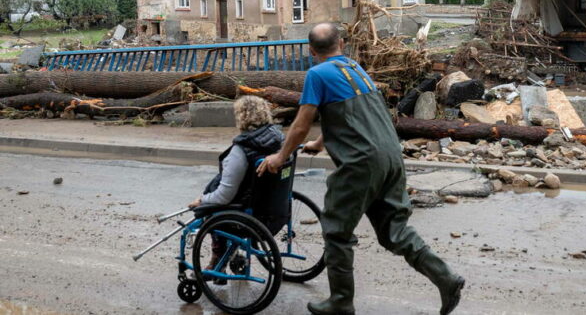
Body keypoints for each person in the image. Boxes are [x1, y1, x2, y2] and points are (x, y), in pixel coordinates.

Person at [257, 23, 464, 315]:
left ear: (311, 51)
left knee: (337, 230)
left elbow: (301, 123)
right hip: (391, 156)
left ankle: (341, 302)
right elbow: (353, 115)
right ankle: (446, 278)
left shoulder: (317, 74)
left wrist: (280, 157)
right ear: (340, 44)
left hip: (361, 163)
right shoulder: (354, 69)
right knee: (394, 230)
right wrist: (320, 141)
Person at [189, 95, 287, 278]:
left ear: (240, 117)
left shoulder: (241, 150)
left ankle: (218, 261)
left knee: (208, 212)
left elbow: (224, 196)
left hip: (248, 216)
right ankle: (234, 253)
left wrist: (202, 200)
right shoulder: (279, 139)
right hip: (276, 210)